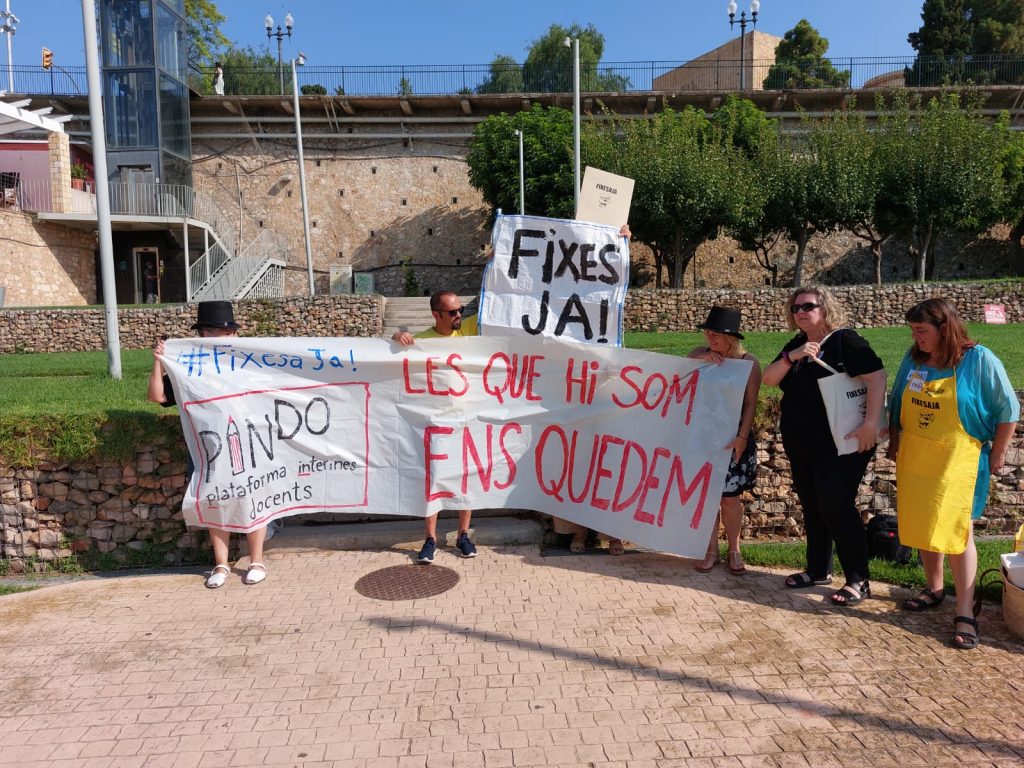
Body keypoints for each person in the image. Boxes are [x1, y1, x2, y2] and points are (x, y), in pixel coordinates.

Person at [887, 298, 1018, 650]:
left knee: (958, 531)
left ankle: (965, 610)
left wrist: (1000, 453)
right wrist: (894, 440)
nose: (916, 338)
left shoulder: (978, 359)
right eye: (913, 331)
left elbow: (1009, 408)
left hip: (958, 460)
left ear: (944, 328)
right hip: (916, 456)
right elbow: (898, 399)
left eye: (922, 331)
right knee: (923, 524)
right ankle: (934, 588)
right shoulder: (914, 358)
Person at [762, 286, 886, 607]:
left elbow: (877, 376)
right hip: (803, 443)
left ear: (825, 308)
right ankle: (818, 570)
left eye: (808, 306)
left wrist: (871, 423)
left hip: (841, 442)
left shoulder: (846, 341)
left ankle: (858, 578)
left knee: (836, 506)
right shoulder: (796, 344)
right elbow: (770, 378)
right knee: (812, 504)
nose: (800, 312)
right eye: (795, 308)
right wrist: (794, 355)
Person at [148, 300, 270, 588]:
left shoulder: (245, 361)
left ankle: (256, 560)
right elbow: (158, 397)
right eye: (210, 331)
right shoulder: (189, 367)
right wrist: (158, 362)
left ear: (233, 335)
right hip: (207, 448)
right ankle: (221, 564)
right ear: (201, 335)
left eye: (223, 332)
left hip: (246, 443)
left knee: (252, 497)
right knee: (215, 501)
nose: (217, 337)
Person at [393, 289, 480, 564]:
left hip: (467, 420)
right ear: (436, 315)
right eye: (452, 312)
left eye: (460, 310)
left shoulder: (467, 329)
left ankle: (463, 535)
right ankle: (430, 538)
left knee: (465, 480)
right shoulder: (420, 342)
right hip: (435, 424)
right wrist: (396, 338)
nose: (458, 316)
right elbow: (388, 357)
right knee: (433, 481)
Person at [687, 306, 760, 575]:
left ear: (730, 337)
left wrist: (742, 436)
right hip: (704, 437)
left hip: (733, 440)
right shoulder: (702, 354)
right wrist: (704, 357)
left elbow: (751, 403)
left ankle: (734, 549)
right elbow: (684, 363)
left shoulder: (749, 362)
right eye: (707, 332)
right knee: (706, 497)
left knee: (730, 499)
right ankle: (710, 550)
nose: (709, 337)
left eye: (714, 333)